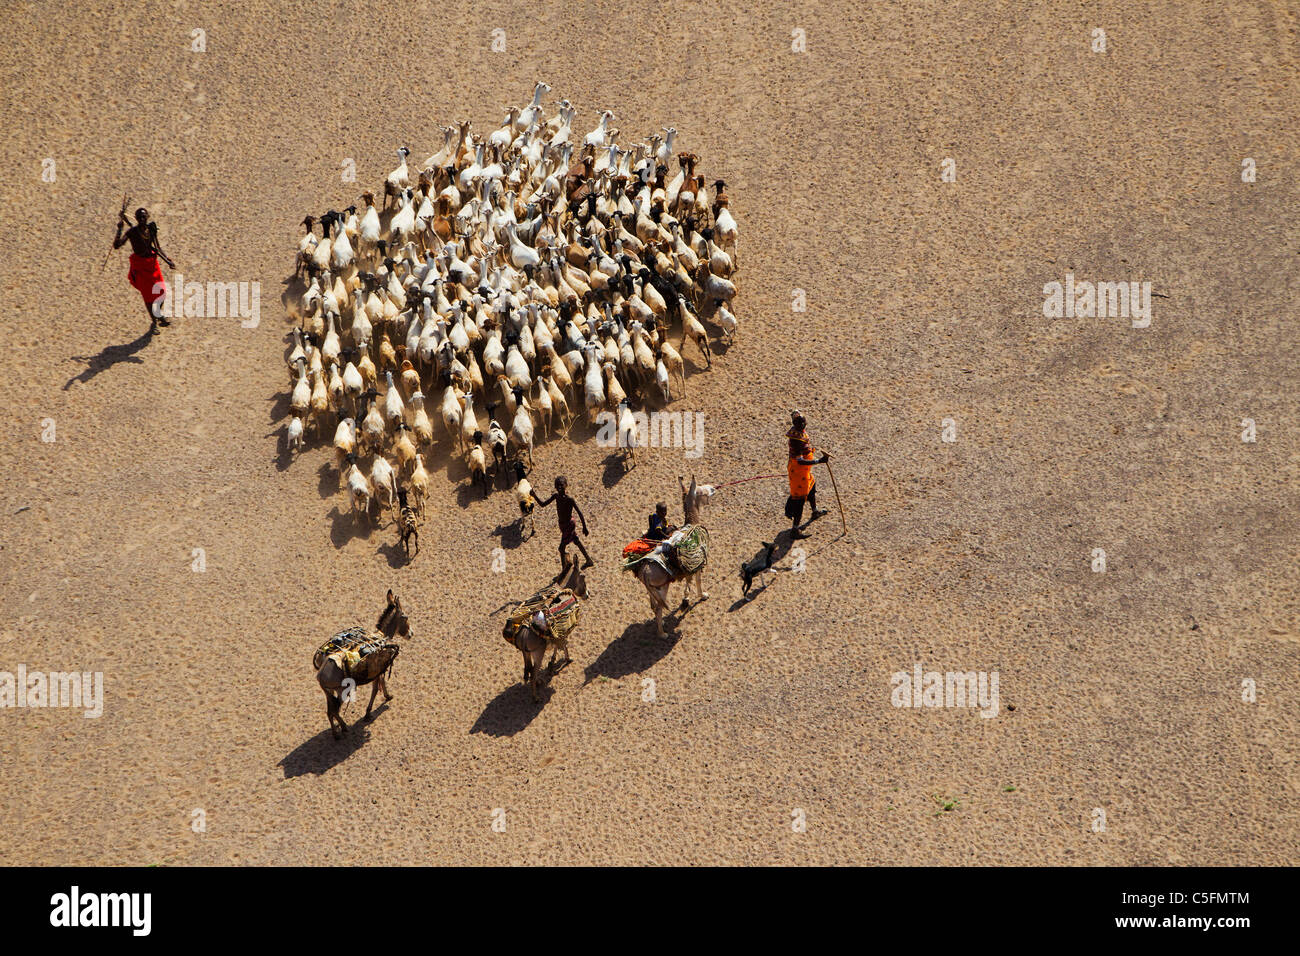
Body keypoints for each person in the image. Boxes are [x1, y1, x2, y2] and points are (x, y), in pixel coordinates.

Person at [113, 208, 175, 332]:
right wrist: (120, 229)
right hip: (140, 266)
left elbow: (157, 247)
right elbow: (117, 245)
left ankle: (157, 314)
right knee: (148, 297)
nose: (142, 219)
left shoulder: (151, 229)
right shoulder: (132, 232)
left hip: (152, 264)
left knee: (162, 292)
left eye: (143, 217)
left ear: (147, 216)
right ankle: (154, 323)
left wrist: (168, 260)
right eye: (139, 217)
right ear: (136, 218)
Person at [786, 409, 829, 539]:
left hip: (805, 472)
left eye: (803, 421)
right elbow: (800, 461)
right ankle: (795, 529)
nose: (802, 424)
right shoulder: (796, 440)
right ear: (795, 423)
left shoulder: (800, 433)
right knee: (799, 500)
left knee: (811, 487)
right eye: (799, 422)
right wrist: (819, 461)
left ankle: (814, 511)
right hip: (799, 472)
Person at [537, 476, 595, 569]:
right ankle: (589, 560)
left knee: (561, 548)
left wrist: (585, 527)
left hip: (569, 525)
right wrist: (534, 495)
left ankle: (564, 568)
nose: (560, 487)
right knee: (576, 540)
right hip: (563, 525)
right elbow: (542, 504)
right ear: (555, 487)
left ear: (566, 486)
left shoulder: (569, 499)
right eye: (558, 485)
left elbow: (579, 513)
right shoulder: (555, 496)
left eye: (562, 485)